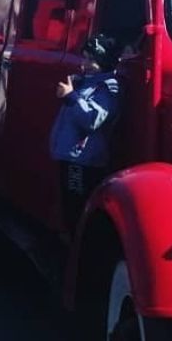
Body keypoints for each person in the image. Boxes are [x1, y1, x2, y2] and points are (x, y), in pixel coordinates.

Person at [50, 33, 123, 238]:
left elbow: (93, 119)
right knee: (68, 207)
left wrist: (71, 97)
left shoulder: (107, 87)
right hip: (72, 157)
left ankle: (76, 253)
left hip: (82, 160)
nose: (85, 62)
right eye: (85, 57)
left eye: (91, 58)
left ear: (103, 61)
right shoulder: (89, 83)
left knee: (77, 210)